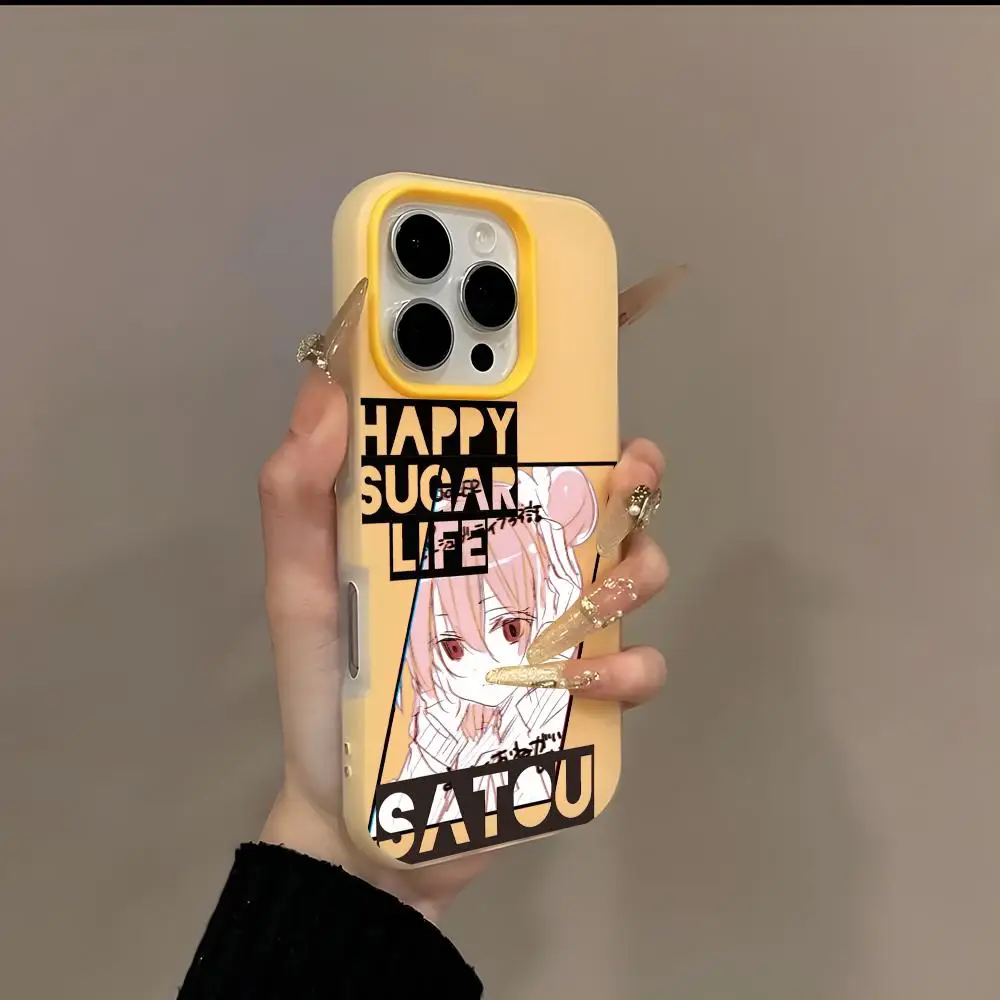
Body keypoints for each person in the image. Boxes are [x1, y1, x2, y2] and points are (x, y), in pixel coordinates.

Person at [178, 286, 670, 998]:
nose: (477, 666)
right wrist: (339, 841)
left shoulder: (524, 706)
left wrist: (357, 864)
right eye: (451, 647)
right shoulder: (427, 730)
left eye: (510, 628)